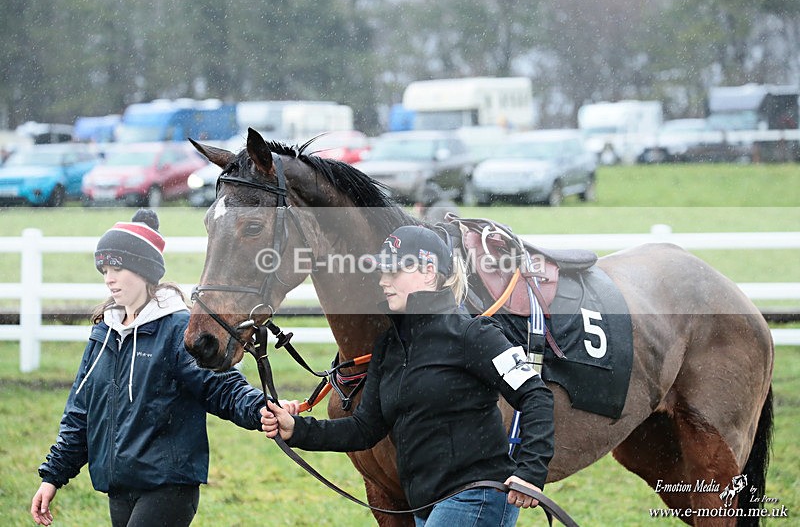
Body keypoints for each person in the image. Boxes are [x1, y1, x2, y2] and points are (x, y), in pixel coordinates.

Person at [261, 225, 554, 526]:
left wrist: (531, 471)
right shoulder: (389, 347)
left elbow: (535, 394)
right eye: (381, 272)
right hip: (425, 506)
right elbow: (364, 429)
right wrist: (295, 428)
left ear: (428, 272)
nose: (383, 281)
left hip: (475, 496)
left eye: (393, 271)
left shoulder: (473, 335)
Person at [31, 209, 298, 527]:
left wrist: (263, 409)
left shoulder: (176, 329)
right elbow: (81, 412)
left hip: (169, 486)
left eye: (117, 268)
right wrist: (52, 477)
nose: (109, 278)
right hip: (119, 487)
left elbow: (221, 386)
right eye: (104, 269)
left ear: (143, 271)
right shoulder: (104, 334)